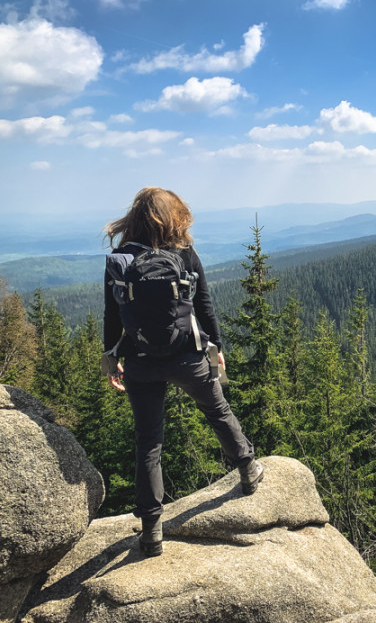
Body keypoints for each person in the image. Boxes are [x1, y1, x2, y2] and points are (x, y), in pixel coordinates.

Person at [102, 187, 263, 557]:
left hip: (141, 362)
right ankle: (248, 470)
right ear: (175, 217)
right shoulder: (184, 253)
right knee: (217, 411)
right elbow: (203, 302)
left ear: (135, 219)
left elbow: (113, 315)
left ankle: (151, 530)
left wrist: (112, 359)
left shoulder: (120, 261)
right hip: (188, 356)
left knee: (149, 441)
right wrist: (216, 346)